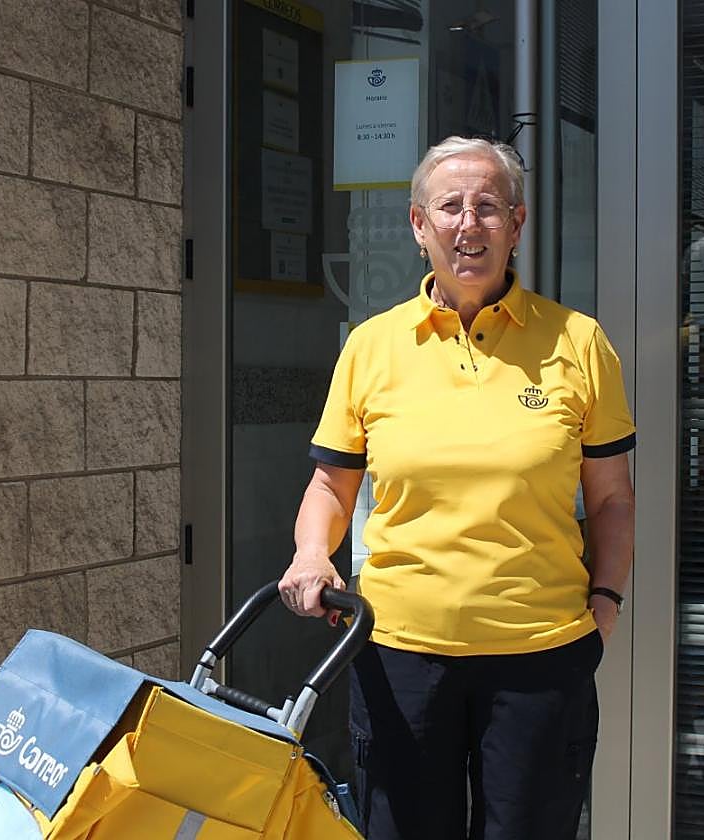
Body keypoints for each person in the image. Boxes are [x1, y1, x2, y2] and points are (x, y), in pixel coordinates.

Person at [278, 136, 635, 840]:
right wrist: (312, 553)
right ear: (419, 226)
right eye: (449, 207)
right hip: (400, 654)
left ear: (517, 224)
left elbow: (612, 497)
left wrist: (607, 601)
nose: (469, 225)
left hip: (541, 656)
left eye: (489, 208)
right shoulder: (372, 347)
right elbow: (330, 483)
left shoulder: (580, 342)